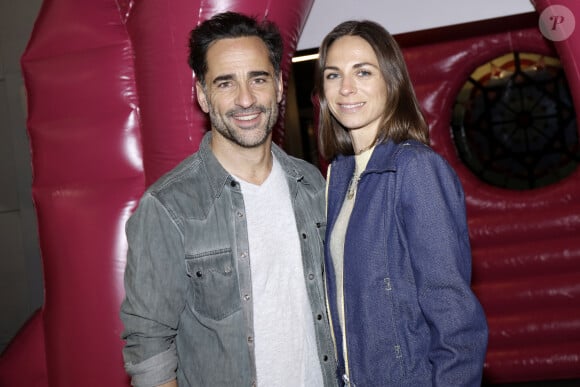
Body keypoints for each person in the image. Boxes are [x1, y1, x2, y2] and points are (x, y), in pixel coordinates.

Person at [120, 11, 336, 387]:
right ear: (202, 95)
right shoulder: (169, 207)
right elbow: (149, 351)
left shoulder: (313, 185)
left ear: (280, 87)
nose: (246, 99)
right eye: (225, 83)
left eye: (258, 79)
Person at [316, 20, 488, 386]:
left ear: (390, 81)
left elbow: (453, 314)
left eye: (363, 72)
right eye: (333, 75)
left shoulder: (415, 168)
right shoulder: (340, 174)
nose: (346, 88)